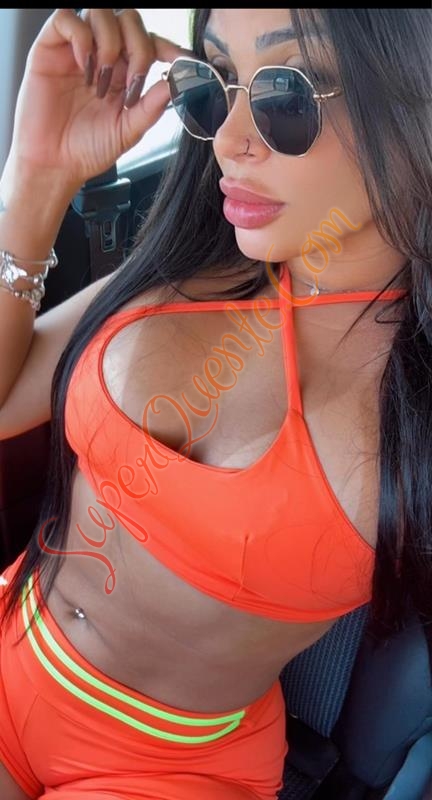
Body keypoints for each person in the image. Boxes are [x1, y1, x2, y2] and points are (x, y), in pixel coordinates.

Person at [0, 7, 430, 800]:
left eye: (289, 90)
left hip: (167, 770)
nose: (229, 139)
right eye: (217, 80)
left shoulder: (414, 406)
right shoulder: (184, 270)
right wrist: (37, 178)